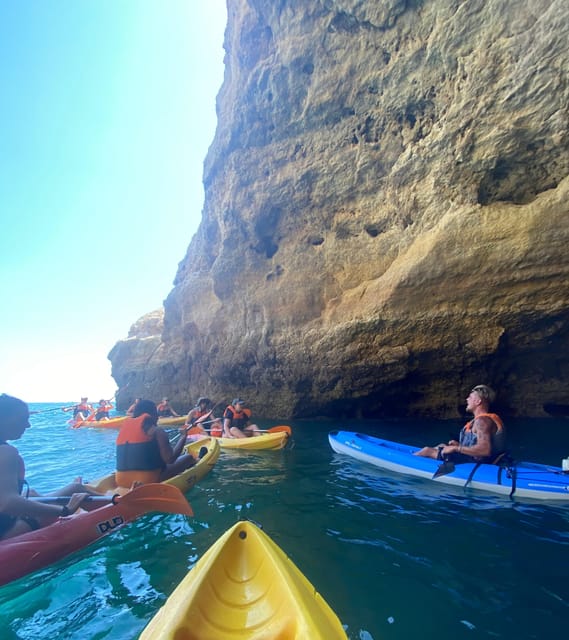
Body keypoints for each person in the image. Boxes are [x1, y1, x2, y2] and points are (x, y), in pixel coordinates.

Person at [0, 394, 102, 541]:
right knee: (75, 495)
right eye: (23, 419)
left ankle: (113, 501)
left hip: (6, 521)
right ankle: (122, 508)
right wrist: (65, 510)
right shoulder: (6, 451)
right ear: (4, 419)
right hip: (5, 532)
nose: (28, 425)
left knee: (72, 488)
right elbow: (8, 503)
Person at [414, 385, 506, 463]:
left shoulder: (482, 421)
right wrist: (458, 445)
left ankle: (410, 464)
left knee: (427, 451)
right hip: (479, 459)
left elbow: (485, 450)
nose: (467, 399)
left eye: (470, 397)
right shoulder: (482, 420)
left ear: (478, 402)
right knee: (441, 445)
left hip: (479, 464)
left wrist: (457, 449)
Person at [115, 399, 197, 487]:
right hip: (147, 480)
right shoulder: (157, 431)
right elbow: (170, 460)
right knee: (188, 457)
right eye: (155, 412)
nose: (157, 415)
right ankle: (197, 460)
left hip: (120, 481)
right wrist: (183, 437)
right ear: (152, 413)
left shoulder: (123, 430)